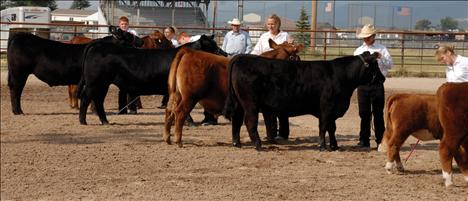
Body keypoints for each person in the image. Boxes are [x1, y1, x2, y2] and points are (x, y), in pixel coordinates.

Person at [353, 24, 393, 150]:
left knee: (378, 113)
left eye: (368, 36)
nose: (366, 39)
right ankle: (364, 140)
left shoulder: (382, 49)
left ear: (373, 36)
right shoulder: (358, 51)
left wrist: (381, 58)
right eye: (365, 37)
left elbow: (390, 65)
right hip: (363, 85)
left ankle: (380, 140)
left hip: (377, 85)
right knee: (363, 113)